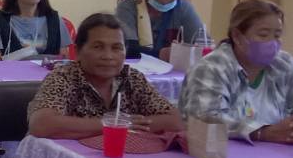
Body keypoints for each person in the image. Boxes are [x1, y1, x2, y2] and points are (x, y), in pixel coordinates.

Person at [178, 0, 293, 142]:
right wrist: (262, 133)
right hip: (224, 156)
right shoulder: (211, 68)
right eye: (263, 35)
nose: (272, 42)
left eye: (277, 35)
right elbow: (204, 118)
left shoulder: (285, 64)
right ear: (237, 37)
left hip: (280, 155)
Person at [28, 13, 182, 139]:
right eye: (98, 47)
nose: (108, 56)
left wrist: (127, 124)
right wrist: (113, 125)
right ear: (78, 51)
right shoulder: (63, 77)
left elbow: (176, 121)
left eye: (116, 48)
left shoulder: (132, 78)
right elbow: (42, 124)